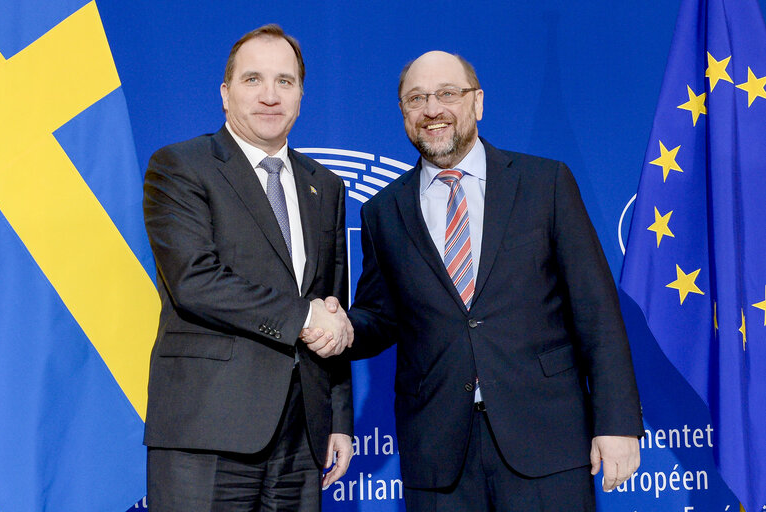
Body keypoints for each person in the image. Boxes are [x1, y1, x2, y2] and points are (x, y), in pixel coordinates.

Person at [309, 50, 643, 511]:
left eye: (447, 93)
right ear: (404, 113)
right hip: (438, 452)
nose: (432, 110)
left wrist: (618, 423)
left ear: (478, 102)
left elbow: (597, 311)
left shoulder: (544, 183)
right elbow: (382, 318)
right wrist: (337, 325)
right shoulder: (382, 211)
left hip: (546, 438)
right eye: (416, 98)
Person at [142, 24, 353, 511]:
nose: (270, 95)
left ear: (300, 95)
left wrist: (339, 416)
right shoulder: (180, 166)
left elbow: (331, 306)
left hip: (303, 435)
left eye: (285, 81)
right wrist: (303, 318)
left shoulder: (326, 187)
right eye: (253, 79)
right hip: (207, 430)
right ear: (225, 93)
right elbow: (195, 281)